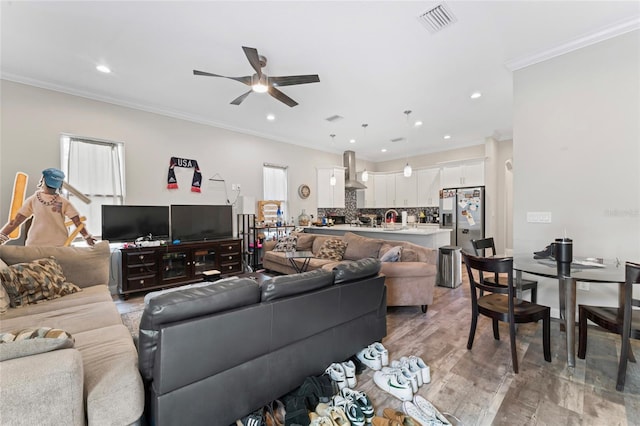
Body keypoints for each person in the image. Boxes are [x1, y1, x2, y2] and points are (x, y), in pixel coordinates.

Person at [0, 168, 96, 247]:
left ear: (43, 180)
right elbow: (77, 222)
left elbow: (16, 221)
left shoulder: (33, 200)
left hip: (36, 245)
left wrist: (2, 235)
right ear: (60, 184)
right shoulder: (64, 202)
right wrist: (87, 237)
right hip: (58, 245)